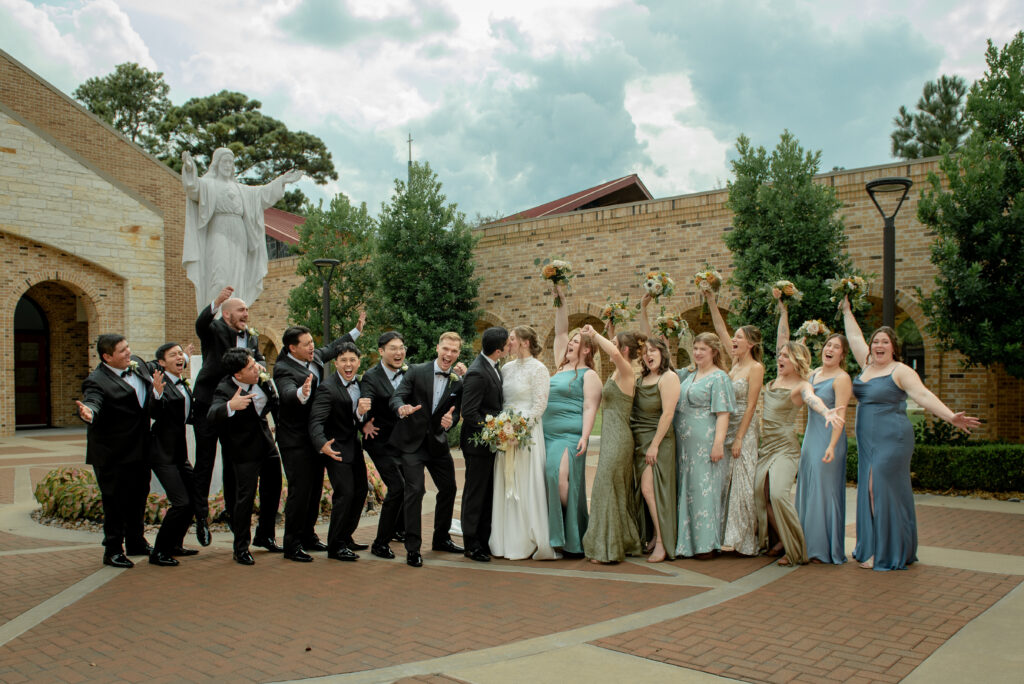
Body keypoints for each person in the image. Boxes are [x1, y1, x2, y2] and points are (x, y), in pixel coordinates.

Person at [841, 297, 980, 570]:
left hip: (893, 439)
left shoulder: (900, 371)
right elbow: (854, 335)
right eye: (876, 341)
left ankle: (883, 550)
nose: (879, 345)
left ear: (894, 347)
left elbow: (923, 395)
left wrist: (950, 416)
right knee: (874, 491)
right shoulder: (867, 364)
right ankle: (881, 545)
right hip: (868, 441)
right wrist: (846, 310)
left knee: (876, 488)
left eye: (885, 342)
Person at [273, 317, 363, 562]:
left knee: (313, 491)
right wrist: (301, 394)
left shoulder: (312, 357)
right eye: (307, 344)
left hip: (318, 436)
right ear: (293, 348)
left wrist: (355, 331)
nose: (313, 347)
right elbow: (286, 393)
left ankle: (309, 535)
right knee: (300, 491)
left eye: (312, 342)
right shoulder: (283, 368)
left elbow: (333, 348)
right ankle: (291, 545)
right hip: (296, 440)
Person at [775, 291, 852, 564]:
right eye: (827, 345)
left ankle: (822, 549)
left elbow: (839, 416)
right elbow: (790, 362)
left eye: (836, 347)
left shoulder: (842, 379)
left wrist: (832, 446)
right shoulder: (814, 374)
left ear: (843, 355)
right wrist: (785, 317)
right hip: (810, 439)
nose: (829, 349)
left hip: (829, 441)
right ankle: (801, 546)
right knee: (806, 492)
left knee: (824, 493)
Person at [76, 334, 163, 568]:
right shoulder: (96, 381)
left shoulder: (136, 364)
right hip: (112, 453)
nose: (128, 353)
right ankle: (113, 549)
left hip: (141, 448)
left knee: (138, 496)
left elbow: (154, 367)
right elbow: (93, 401)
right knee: (115, 501)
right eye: (122, 351)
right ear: (107, 356)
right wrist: (89, 413)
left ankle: (136, 541)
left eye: (128, 348)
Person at [181, 147, 303, 311]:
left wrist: (282, 180)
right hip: (218, 229)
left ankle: (235, 314)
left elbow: (262, 194)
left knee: (237, 277)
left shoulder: (241, 190)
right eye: (225, 161)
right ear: (216, 163)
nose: (228, 165)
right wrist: (189, 168)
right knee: (219, 274)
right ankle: (216, 318)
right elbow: (193, 188)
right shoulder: (208, 184)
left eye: (231, 162)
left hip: (239, 233)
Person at [755, 341, 843, 566]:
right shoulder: (774, 380)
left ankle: (795, 547)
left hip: (785, 448)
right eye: (780, 355)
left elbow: (812, 399)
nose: (780, 359)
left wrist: (826, 412)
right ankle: (780, 539)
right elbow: (781, 334)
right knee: (760, 494)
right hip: (767, 447)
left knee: (777, 494)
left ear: (796, 362)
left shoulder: (802, 385)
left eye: (786, 356)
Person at [192, 286, 265, 535]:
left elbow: (260, 360)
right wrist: (216, 302)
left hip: (236, 407)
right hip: (208, 404)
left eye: (247, 310)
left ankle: (234, 515)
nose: (246, 314)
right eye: (241, 310)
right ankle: (200, 517)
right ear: (226, 315)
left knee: (234, 462)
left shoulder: (252, 337)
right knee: (204, 461)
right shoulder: (215, 330)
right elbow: (201, 324)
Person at [389, 332, 465, 567]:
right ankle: (413, 549)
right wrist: (401, 409)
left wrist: (449, 423)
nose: (449, 354)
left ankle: (441, 538)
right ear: (437, 348)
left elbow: (455, 413)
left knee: (449, 488)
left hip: (437, 444)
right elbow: (397, 397)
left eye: (453, 351)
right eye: (446, 349)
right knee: (415, 491)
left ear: (458, 354)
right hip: (411, 443)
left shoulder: (457, 382)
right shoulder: (416, 371)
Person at [208, 348, 282, 565]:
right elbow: (212, 414)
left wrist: (278, 426)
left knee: (273, 489)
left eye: (254, 364)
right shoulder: (225, 388)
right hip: (243, 451)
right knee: (245, 498)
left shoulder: (262, 380)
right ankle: (240, 547)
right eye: (250, 367)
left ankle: (265, 535)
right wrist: (231, 406)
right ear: (238, 375)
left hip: (266, 445)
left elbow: (274, 402)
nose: (257, 369)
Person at [704, 288, 764, 556]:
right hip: (726, 427)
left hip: (745, 430)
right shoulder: (734, 364)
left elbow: (751, 405)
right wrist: (711, 302)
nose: (734, 340)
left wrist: (740, 437)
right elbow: (720, 331)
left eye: (739, 337)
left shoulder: (755, 368)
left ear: (750, 343)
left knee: (742, 483)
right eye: (735, 337)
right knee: (726, 482)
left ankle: (743, 540)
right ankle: (726, 535)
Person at [490, 326, 557, 560]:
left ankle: (528, 537)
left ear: (525, 342)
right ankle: (504, 538)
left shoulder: (539, 370)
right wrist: (502, 429)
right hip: (504, 432)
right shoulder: (506, 368)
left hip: (526, 433)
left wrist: (518, 430)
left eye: (512, 339)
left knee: (525, 481)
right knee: (506, 481)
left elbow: (539, 406)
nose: (509, 344)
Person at [543, 285, 601, 556]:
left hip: (569, 435)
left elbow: (590, 407)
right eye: (571, 342)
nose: (570, 344)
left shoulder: (589, 375)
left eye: (576, 343)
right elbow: (560, 331)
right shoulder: (559, 365)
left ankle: (576, 530)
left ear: (587, 350)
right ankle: (568, 536)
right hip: (545, 434)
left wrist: (585, 437)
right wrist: (561, 300)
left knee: (558, 479)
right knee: (548, 479)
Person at [580, 325, 643, 564]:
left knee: (605, 487)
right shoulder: (615, 373)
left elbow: (615, 355)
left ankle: (606, 548)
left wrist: (595, 334)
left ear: (624, 349)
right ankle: (623, 540)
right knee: (612, 488)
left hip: (619, 438)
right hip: (609, 437)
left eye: (613, 342)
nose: (610, 346)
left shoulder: (627, 371)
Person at [674, 332, 736, 559]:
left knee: (704, 490)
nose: (698, 352)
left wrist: (718, 443)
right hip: (684, 445)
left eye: (703, 349)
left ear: (714, 351)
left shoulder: (719, 377)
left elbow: (723, 413)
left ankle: (706, 544)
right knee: (687, 489)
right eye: (696, 348)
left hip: (706, 442)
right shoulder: (689, 374)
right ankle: (687, 543)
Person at [308, 343, 372, 562]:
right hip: (334, 448)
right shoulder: (328, 387)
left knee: (361, 491)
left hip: (353, 446)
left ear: (358, 362)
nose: (348, 364)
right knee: (345, 494)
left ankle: (346, 536)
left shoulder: (361, 385)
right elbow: (316, 420)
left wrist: (363, 418)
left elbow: (357, 417)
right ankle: (335, 546)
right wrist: (321, 443)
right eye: (343, 360)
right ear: (336, 363)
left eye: (352, 360)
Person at [148, 342, 204, 566]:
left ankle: (175, 544)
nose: (180, 357)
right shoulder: (160, 383)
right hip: (162, 453)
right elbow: (153, 412)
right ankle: (159, 551)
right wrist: (157, 394)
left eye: (181, 354)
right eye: (173, 355)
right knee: (181, 502)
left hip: (179, 452)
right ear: (161, 362)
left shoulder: (182, 382)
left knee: (193, 499)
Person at [458, 327, 509, 563]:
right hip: (477, 445)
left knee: (487, 493)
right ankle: (471, 543)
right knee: (475, 493)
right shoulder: (478, 372)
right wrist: (494, 431)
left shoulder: (492, 366)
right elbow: (469, 412)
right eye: (507, 344)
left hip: (489, 444)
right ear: (498, 350)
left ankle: (483, 538)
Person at [630, 336, 680, 563]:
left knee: (651, 490)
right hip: (640, 440)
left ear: (663, 353)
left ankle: (662, 542)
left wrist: (655, 445)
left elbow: (668, 414)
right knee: (643, 492)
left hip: (658, 441)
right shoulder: (642, 378)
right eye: (645, 352)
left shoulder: (668, 377)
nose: (648, 355)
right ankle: (651, 535)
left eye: (653, 351)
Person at [361, 331, 411, 560]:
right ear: (381, 351)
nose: (398, 352)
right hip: (380, 441)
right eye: (393, 348)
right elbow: (364, 401)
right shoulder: (371, 376)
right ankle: (380, 543)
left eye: (401, 347)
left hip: (403, 441)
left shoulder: (410, 372)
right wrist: (363, 421)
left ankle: (399, 530)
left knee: (407, 484)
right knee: (397, 486)